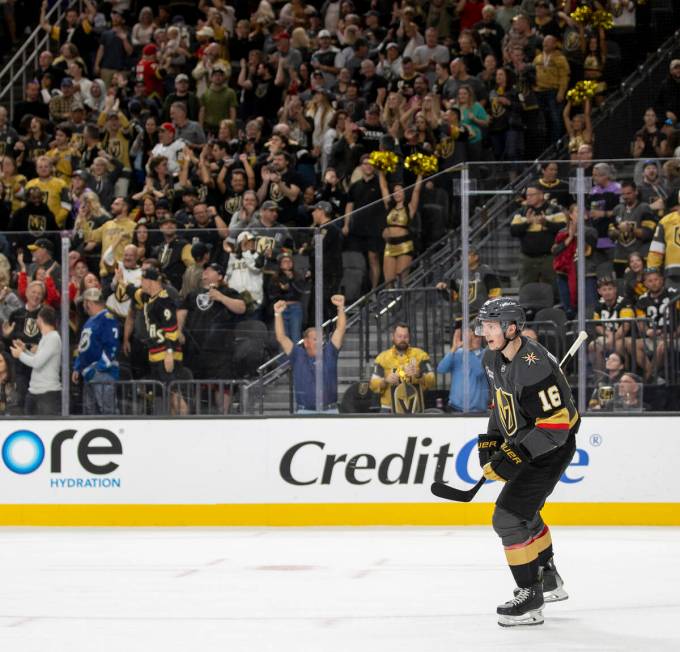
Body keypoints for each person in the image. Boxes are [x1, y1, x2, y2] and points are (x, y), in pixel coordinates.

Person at [474, 297, 579, 627]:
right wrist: (492, 443)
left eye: (492, 327)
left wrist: (513, 456)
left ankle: (529, 597)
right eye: (484, 326)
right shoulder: (492, 358)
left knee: (507, 518)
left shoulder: (533, 365)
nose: (485, 333)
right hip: (531, 442)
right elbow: (500, 405)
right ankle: (548, 578)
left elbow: (557, 428)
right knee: (526, 513)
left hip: (551, 448)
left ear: (511, 328)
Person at [273, 294, 346, 413]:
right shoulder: (298, 355)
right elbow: (281, 337)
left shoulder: (329, 352)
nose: (320, 342)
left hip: (330, 411)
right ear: (306, 342)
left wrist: (341, 308)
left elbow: (340, 330)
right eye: (315, 339)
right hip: (305, 412)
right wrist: (277, 314)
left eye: (321, 339)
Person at [72, 288, 121, 415]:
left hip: (102, 373)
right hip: (89, 373)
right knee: (90, 411)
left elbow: (112, 346)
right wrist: (78, 367)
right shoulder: (90, 320)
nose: (83, 306)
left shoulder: (107, 318)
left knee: (107, 411)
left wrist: (97, 369)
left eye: (84, 302)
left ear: (88, 302)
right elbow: (83, 346)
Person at [369, 323, 435, 413]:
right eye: (399, 336)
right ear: (393, 337)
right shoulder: (382, 358)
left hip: (414, 408)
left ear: (409, 337)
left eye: (405, 336)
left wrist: (419, 375)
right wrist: (385, 381)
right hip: (388, 409)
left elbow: (432, 381)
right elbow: (373, 385)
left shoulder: (421, 355)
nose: (402, 339)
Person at [9, 304, 61, 416]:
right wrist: (24, 350)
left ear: (40, 320)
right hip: (35, 391)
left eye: (37, 318)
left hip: (47, 393)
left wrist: (20, 355)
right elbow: (38, 359)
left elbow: (36, 363)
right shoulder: (46, 337)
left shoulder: (53, 338)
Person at [436, 326, 488, 412]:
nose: (475, 339)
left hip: (477, 411)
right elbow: (441, 369)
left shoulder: (485, 354)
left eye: (477, 336)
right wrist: (453, 349)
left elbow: (479, 372)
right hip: (455, 408)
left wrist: (467, 350)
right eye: (471, 336)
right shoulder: (458, 352)